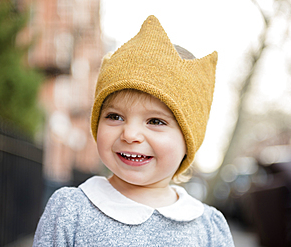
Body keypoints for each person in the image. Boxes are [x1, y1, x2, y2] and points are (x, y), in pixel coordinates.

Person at [33, 15, 235, 246]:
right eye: (115, 116)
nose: (130, 134)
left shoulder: (207, 227)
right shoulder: (71, 210)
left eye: (155, 121)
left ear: (189, 139)